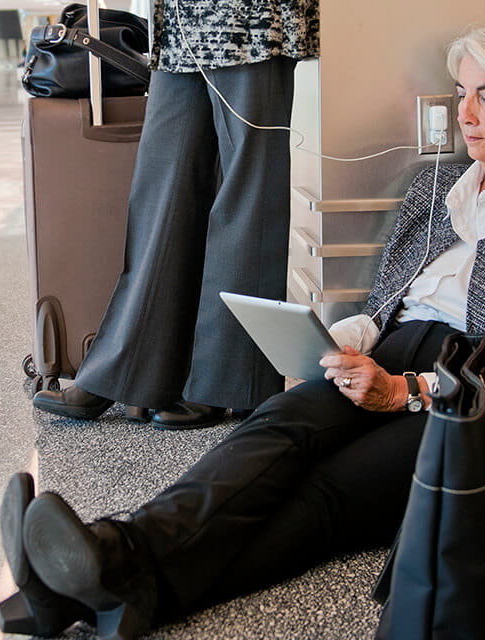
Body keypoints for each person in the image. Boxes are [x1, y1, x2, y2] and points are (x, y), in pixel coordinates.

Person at [0, 14, 485, 640]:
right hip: (386, 355)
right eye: (463, 93)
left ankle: (87, 579)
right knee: (278, 428)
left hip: (461, 398)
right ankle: (104, 571)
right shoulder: (440, 184)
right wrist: (348, 338)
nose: (464, 113)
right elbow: (386, 301)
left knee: (326, 495)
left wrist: (406, 391)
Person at [30, 0, 319, 430]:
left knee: (247, 197)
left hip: (251, 19)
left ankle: (228, 384)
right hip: (181, 23)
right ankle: (128, 371)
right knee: (160, 193)